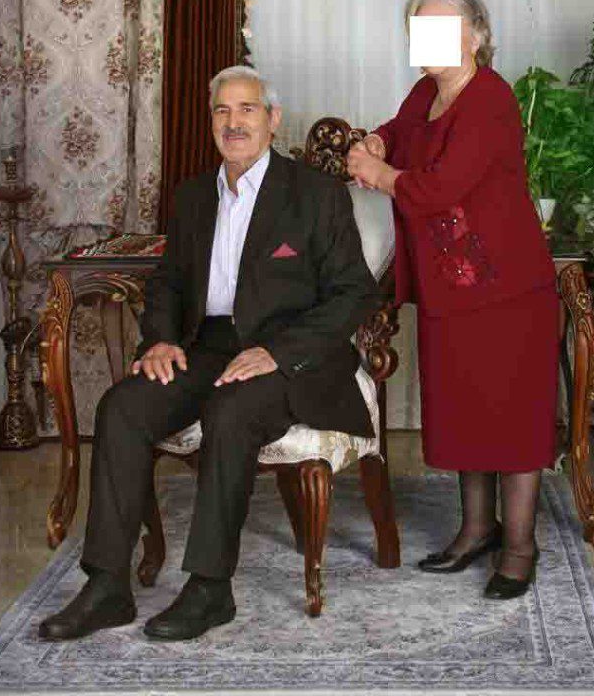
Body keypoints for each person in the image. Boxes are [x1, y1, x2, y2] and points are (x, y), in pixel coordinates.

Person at [39, 66, 379, 642]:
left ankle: (209, 588)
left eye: (247, 109)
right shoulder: (194, 195)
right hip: (208, 348)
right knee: (122, 408)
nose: (233, 122)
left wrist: (277, 352)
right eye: (222, 111)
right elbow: (169, 282)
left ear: (272, 119)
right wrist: (160, 339)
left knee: (232, 411)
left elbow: (354, 294)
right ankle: (107, 586)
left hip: (292, 355)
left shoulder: (315, 195)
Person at [347, 0, 558, 600]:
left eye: (441, 27)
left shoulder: (490, 98)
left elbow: (440, 188)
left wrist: (380, 173)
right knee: (466, 411)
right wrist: (378, 141)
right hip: (452, 287)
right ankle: (476, 531)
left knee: (512, 420)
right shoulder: (426, 91)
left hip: (507, 290)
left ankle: (519, 547)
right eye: (419, 29)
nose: (427, 41)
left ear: (476, 36)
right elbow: (399, 128)